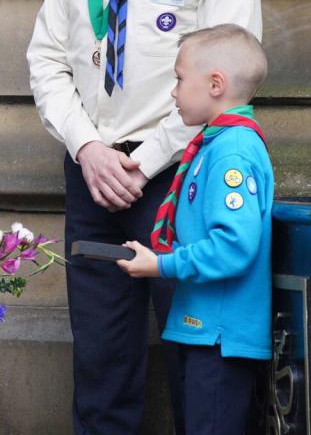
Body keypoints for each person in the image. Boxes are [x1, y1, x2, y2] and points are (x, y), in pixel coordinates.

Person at [26, 0, 262, 433]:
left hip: (182, 174)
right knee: (101, 360)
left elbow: (227, 79)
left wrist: (143, 160)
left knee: (196, 355)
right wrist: (87, 148)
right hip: (92, 171)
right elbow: (47, 58)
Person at [117, 24, 273, 435]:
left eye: (180, 79)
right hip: (204, 331)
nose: (174, 91)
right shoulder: (215, 144)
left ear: (216, 84)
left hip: (220, 337)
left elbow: (234, 246)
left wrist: (162, 266)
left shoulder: (232, 151)